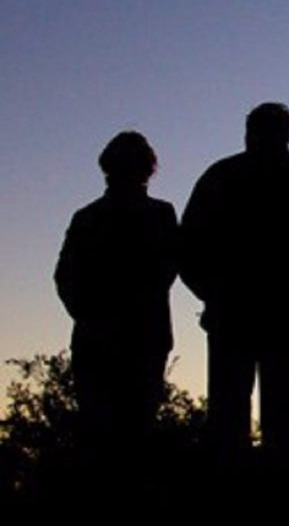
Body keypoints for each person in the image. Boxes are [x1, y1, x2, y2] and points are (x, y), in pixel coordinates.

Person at [179, 103, 289, 462]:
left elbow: (188, 245)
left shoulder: (223, 176)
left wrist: (212, 294)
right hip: (263, 315)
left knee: (250, 420)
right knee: (274, 421)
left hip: (253, 315)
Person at [55, 131, 178, 463]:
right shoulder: (160, 215)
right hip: (136, 336)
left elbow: (65, 277)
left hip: (106, 338)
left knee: (103, 437)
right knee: (132, 436)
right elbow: (169, 268)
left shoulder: (88, 218)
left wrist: (90, 314)